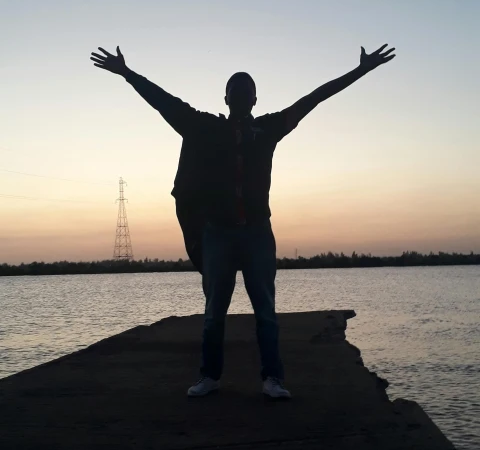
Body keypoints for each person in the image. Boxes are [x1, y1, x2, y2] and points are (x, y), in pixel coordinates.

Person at [90, 43, 396, 398]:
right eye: (234, 89)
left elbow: (314, 99)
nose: (240, 93)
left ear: (254, 100)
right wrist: (127, 73)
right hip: (217, 234)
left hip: (257, 235)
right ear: (226, 99)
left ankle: (273, 379)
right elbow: (164, 101)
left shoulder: (269, 129)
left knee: (265, 311)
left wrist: (360, 71)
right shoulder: (203, 127)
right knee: (213, 313)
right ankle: (210, 375)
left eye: (246, 89)